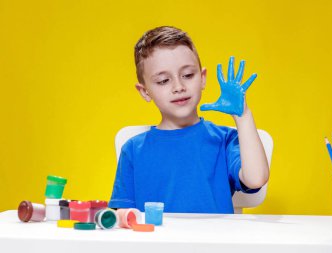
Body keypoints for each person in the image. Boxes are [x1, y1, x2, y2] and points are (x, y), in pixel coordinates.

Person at [108, 26, 269, 213]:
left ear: (202, 79)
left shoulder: (224, 140)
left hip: (213, 240)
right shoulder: (133, 149)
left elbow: (256, 178)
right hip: (156, 242)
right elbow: (122, 214)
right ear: (145, 91)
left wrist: (243, 116)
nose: (178, 86)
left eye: (187, 75)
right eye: (163, 81)